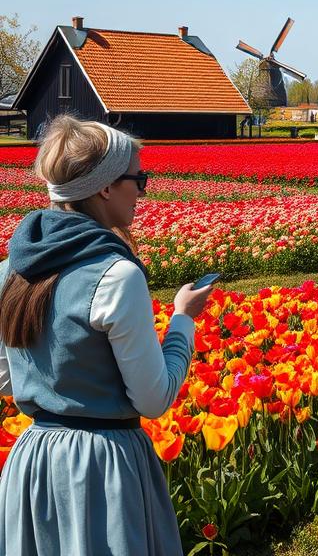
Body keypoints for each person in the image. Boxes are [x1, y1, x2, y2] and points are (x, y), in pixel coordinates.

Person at [0, 114, 214, 555]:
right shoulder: (116, 275)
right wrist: (183, 320)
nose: (142, 190)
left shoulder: (10, 270)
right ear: (105, 187)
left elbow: (5, 380)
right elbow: (153, 399)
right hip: (103, 468)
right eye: (139, 178)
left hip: (34, 463)